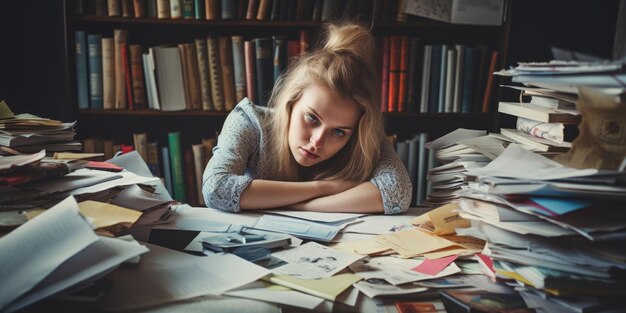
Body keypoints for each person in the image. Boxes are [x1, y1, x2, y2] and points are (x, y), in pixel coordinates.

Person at [202, 22, 411, 214]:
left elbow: (397, 192)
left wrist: (296, 206)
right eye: (312, 118)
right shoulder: (250, 121)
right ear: (292, 102)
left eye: (338, 132)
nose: (317, 141)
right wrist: (326, 187)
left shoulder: (361, 136)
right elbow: (216, 188)